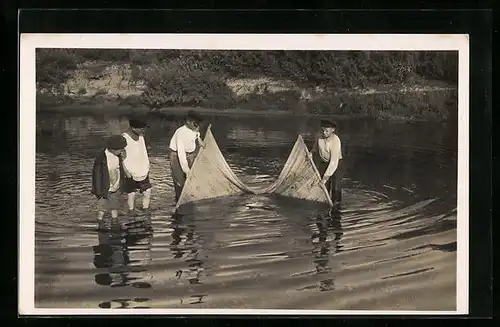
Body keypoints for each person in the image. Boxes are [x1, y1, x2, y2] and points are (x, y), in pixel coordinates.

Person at [168, 110, 205, 202]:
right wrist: (186, 170)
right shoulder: (181, 132)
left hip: (190, 155)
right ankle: (179, 200)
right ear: (188, 121)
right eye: (195, 123)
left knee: (191, 180)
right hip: (177, 157)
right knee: (180, 181)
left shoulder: (194, 128)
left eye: (198, 123)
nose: (197, 125)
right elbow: (181, 154)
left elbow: (196, 133)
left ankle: (188, 198)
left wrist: (199, 139)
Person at [91, 135, 127, 223]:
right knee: (102, 208)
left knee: (114, 207)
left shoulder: (118, 156)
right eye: (121, 149)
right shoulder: (101, 158)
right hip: (104, 189)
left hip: (115, 187)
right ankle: (100, 221)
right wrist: (98, 192)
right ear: (113, 149)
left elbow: (121, 170)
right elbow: (97, 176)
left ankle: (115, 221)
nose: (122, 151)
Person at [310, 119, 345, 211]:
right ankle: (323, 210)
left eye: (327, 131)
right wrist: (310, 154)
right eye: (323, 130)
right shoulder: (319, 137)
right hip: (324, 162)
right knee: (323, 187)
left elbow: (333, 162)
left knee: (335, 187)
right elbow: (315, 149)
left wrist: (325, 177)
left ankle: (336, 208)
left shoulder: (336, 141)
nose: (324, 133)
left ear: (333, 130)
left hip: (336, 163)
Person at [121, 116, 152, 214]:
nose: (143, 130)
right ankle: (131, 212)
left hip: (142, 169)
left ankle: (145, 210)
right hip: (130, 171)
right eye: (142, 128)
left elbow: (143, 151)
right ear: (134, 128)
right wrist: (126, 171)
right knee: (131, 194)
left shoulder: (141, 136)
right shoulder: (124, 138)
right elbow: (120, 157)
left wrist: (147, 165)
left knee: (147, 191)